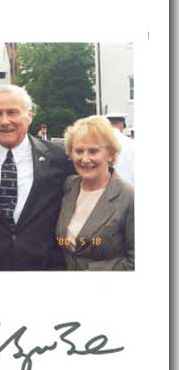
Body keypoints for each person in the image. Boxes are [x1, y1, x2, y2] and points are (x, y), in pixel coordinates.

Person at [0, 84, 73, 271]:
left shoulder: (59, 158)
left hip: (45, 271)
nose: (4, 121)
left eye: (12, 112)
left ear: (29, 115)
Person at [55, 115, 134, 270]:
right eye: (78, 151)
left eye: (93, 151)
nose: (85, 159)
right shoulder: (68, 186)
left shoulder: (129, 197)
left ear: (111, 154)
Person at [105, 111, 134, 185]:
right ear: (121, 125)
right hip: (128, 186)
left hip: (106, 187)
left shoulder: (100, 141)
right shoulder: (131, 142)